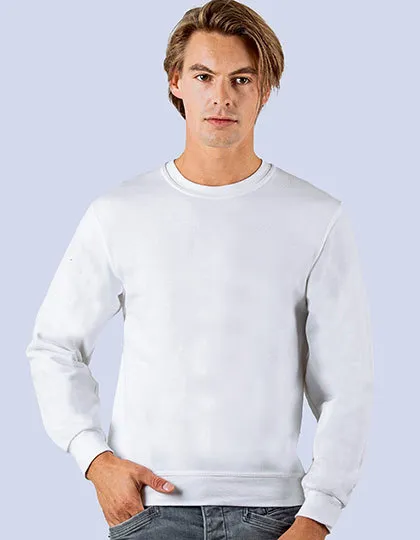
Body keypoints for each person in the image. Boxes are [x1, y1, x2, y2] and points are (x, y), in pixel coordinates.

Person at [25, 1, 374, 538]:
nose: (222, 96)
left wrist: (319, 515)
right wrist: (95, 459)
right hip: (149, 508)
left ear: (264, 90)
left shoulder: (316, 217)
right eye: (204, 76)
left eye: (241, 79)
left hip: (274, 516)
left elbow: (347, 383)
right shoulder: (120, 212)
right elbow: (54, 346)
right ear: (176, 82)